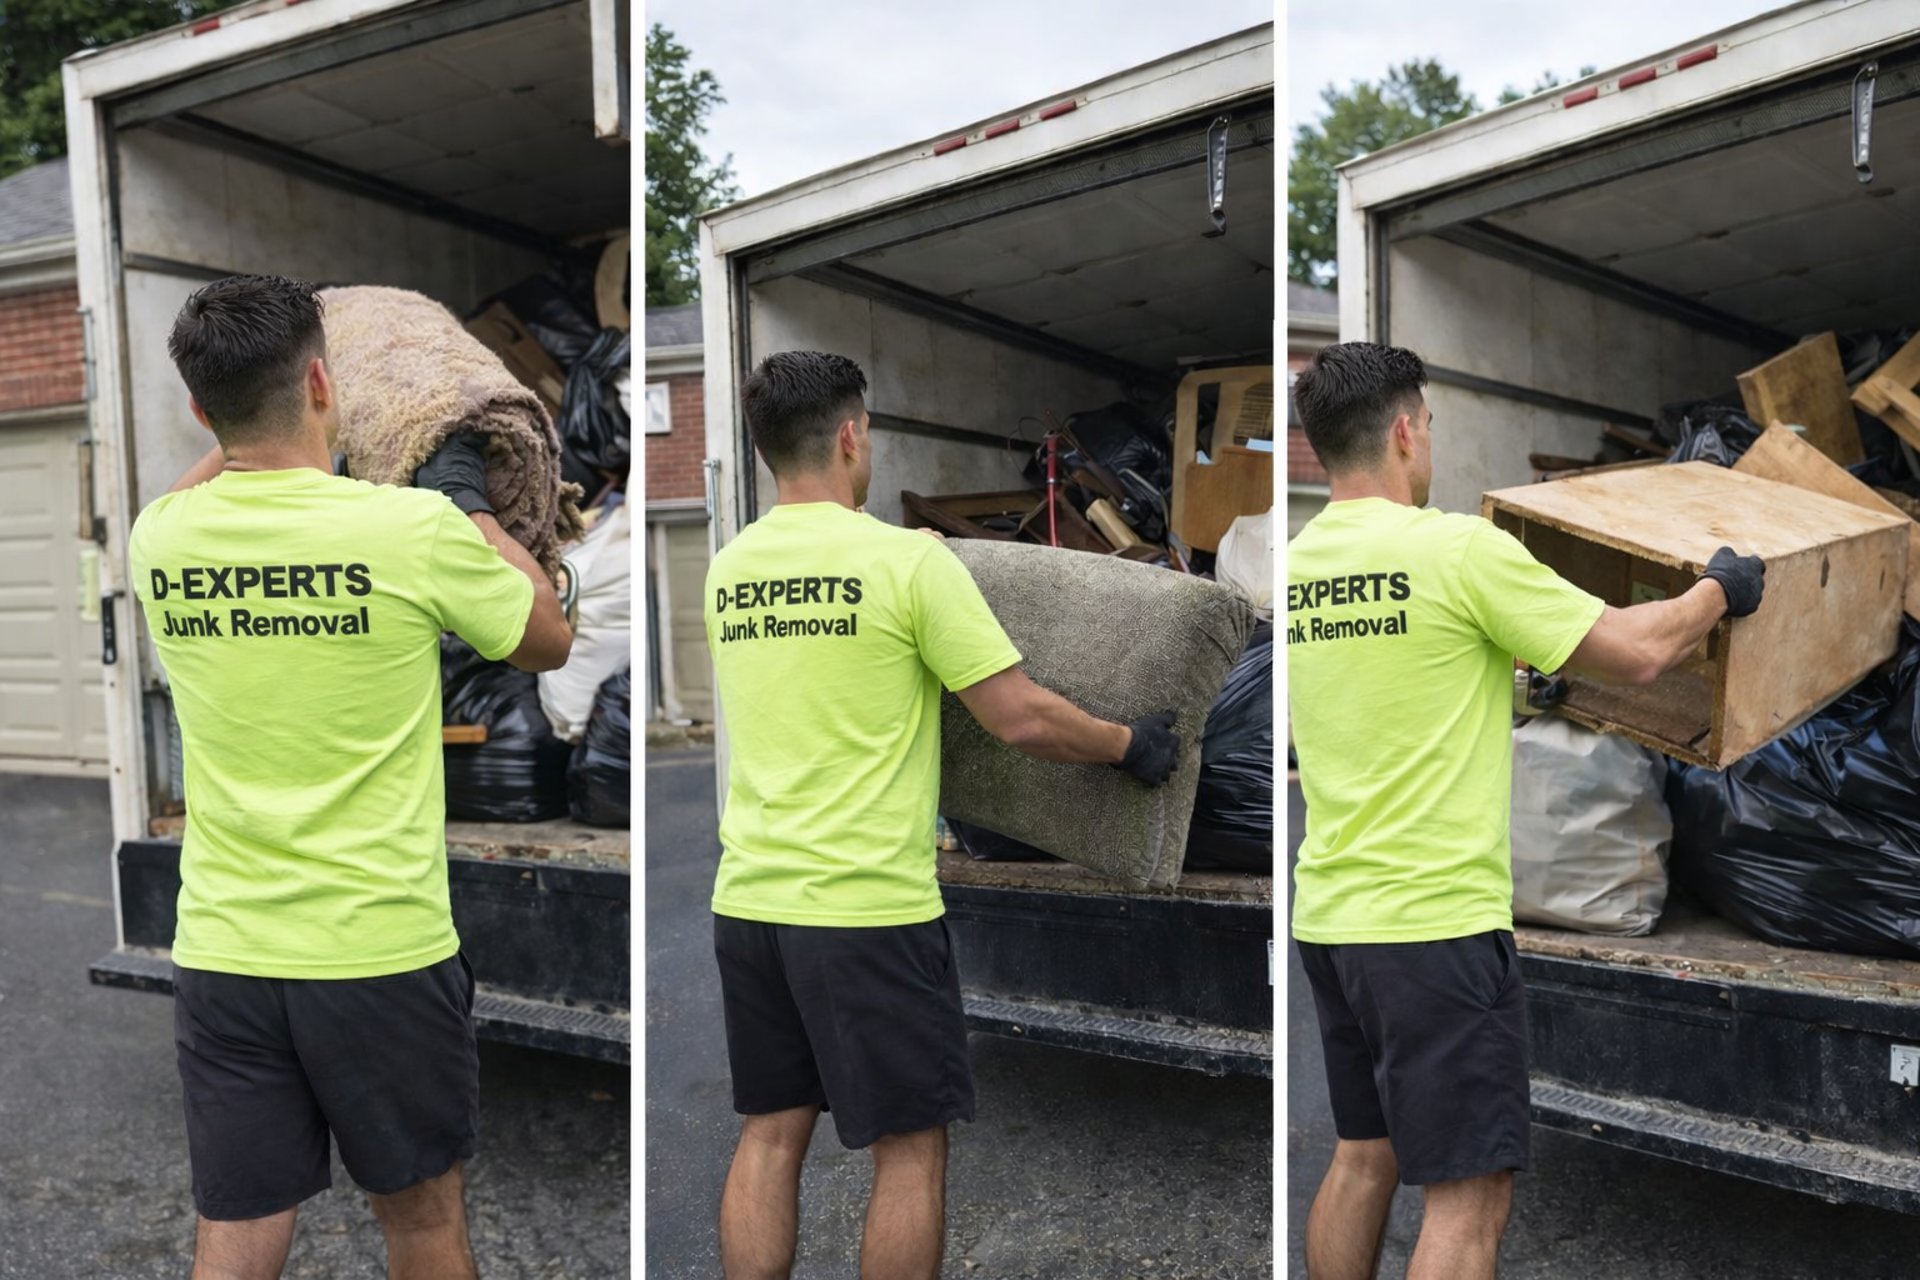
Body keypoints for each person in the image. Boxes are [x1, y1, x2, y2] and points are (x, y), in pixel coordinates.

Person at [1286, 342, 1764, 1280]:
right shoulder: (1455, 549)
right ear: (1404, 430)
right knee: (1469, 1203)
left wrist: (1532, 680)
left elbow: (1412, 678)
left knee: (1362, 1158)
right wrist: (1719, 588)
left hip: (1333, 916)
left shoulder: (1303, 568)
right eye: (1428, 429)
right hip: (1433, 927)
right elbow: (1636, 652)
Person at [128, 274, 572, 1280]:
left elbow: (207, 473)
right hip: (379, 950)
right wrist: (465, 501)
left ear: (199, 409)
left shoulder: (162, 540)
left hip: (227, 950)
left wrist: (252, 420)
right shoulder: (408, 532)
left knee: (236, 1233)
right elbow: (547, 635)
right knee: (419, 1223)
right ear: (322, 380)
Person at [702, 349, 1181, 1280]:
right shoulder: (904, 562)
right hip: (866, 913)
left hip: (750, 903)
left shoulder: (730, 572)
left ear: (764, 453)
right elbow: (1022, 718)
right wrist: (1129, 745)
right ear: (850, 436)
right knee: (910, 1150)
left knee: (769, 1136)